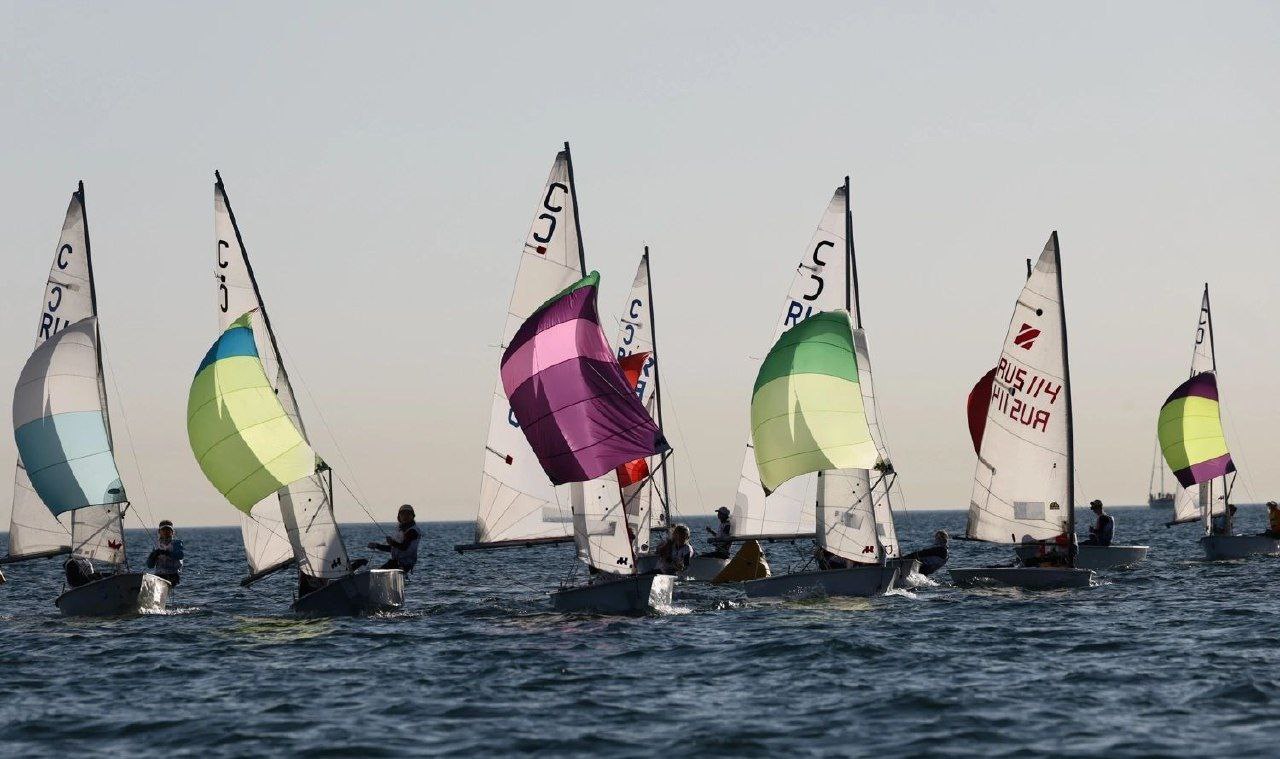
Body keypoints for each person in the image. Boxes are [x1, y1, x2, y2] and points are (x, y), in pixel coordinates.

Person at [365, 504, 422, 573]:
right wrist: (377, 545)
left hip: (405, 564)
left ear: (412, 516)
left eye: (408, 514)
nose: (405, 516)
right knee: (377, 571)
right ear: (399, 517)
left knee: (377, 573)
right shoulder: (401, 530)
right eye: (402, 514)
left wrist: (392, 543)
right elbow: (393, 549)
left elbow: (404, 547)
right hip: (396, 562)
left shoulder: (412, 531)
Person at [145, 520, 185, 586]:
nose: (166, 532)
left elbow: (180, 555)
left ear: (172, 532)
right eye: (163, 530)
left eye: (168, 530)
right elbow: (150, 566)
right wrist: (153, 556)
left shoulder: (176, 543)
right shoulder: (156, 545)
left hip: (173, 575)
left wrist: (166, 553)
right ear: (159, 532)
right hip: (159, 575)